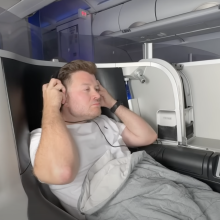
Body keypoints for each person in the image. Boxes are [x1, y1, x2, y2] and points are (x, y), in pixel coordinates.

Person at [30, 60, 157, 219]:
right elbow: (61, 173)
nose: (97, 94)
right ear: (63, 96)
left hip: (146, 183)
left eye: (97, 88)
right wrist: (51, 106)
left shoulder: (104, 122)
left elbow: (148, 136)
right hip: (114, 204)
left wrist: (112, 103)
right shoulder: (42, 137)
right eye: (86, 89)